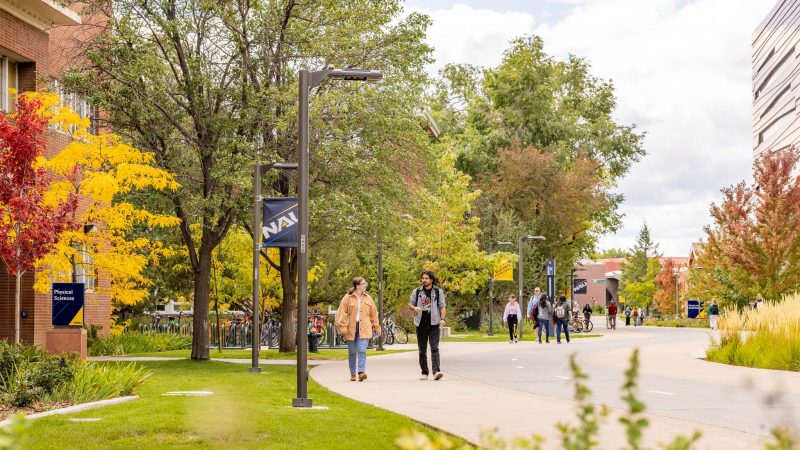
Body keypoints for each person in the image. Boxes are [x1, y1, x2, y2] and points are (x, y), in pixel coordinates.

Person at [335, 277, 381, 382]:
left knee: (362, 350)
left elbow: (374, 314)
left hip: (364, 328)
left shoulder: (368, 298)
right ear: (358, 286)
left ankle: (361, 372)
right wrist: (342, 326)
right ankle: (352, 373)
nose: (366, 285)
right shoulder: (348, 298)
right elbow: (343, 312)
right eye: (364, 283)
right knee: (352, 352)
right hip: (350, 328)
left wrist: (377, 326)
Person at [409, 270, 447, 380]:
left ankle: (436, 371)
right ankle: (424, 372)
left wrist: (442, 318)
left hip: (434, 323)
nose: (424, 280)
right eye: (423, 278)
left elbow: (442, 306)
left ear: (431, 280)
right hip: (420, 323)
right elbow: (410, 304)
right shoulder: (417, 291)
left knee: (435, 348)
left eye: (426, 278)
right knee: (422, 350)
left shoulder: (438, 292)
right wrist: (414, 308)